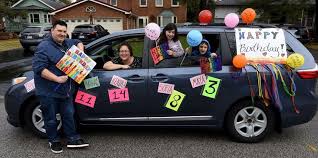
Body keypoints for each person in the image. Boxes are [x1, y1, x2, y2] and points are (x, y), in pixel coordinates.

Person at [32, 20, 89, 154]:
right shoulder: (44, 47)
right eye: (59, 31)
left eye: (64, 31)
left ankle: (72, 139)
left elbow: (77, 42)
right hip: (48, 91)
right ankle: (54, 141)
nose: (62, 34)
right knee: (50, 118)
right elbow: (39, 69)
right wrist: (57, 78)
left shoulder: (67, 43)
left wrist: (80, 53)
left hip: (66, 91)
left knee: (68, 115)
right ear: (52, 30)